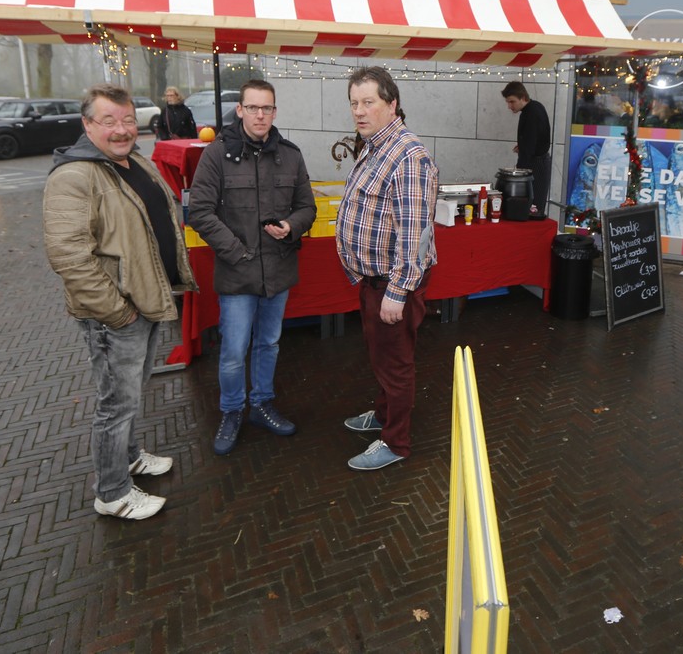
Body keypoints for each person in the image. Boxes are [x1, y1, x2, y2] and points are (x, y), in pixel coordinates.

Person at [43, 83, 197, 521]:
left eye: (128, 119)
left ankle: (128, 458)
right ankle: (112, 492)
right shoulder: (74, 176)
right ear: (87, 124)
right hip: (116, 314)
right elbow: (69, 257)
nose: (121, 129)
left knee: (129, 395)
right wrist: (117, 312)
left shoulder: (133, 163)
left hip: (144, 302)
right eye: (108, 120)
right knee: (115, 404)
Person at [188, 80, 316, 456]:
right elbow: (200, 212)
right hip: (236, 272)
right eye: (254, 108)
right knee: (233, 350)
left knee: (268, 343)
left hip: (278, 270)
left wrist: (290, 225)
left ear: (275, 112)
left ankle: (261, 404)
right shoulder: (217, 155)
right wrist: (236, 251)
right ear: (240, 110)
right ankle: (232, 411)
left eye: (267, 108)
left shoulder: (290, 156)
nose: (261, 115)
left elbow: (307, 207)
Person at [336, 67, 439, 471]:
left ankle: (396, 442)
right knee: (381, 357)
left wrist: (397, 292)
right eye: (354, 103)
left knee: (395, 365)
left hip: (392, 285)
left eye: (368, 102)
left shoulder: (408, 156)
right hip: (374, 280)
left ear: (392, 104)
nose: (359, 111)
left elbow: (415, 235)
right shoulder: (374, 145)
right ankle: (382, 416)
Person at [501, 81, 552, 218]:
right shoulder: (535, 107)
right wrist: (523, 146)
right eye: (508, 102)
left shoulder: (531, 113)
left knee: (532, 208)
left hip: (536, 164)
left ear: (523, 98)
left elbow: (530, 145)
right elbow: (537, 137)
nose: (509, 106)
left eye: (512, 102)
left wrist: (519, 172)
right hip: (538, 161)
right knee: (533, 205)